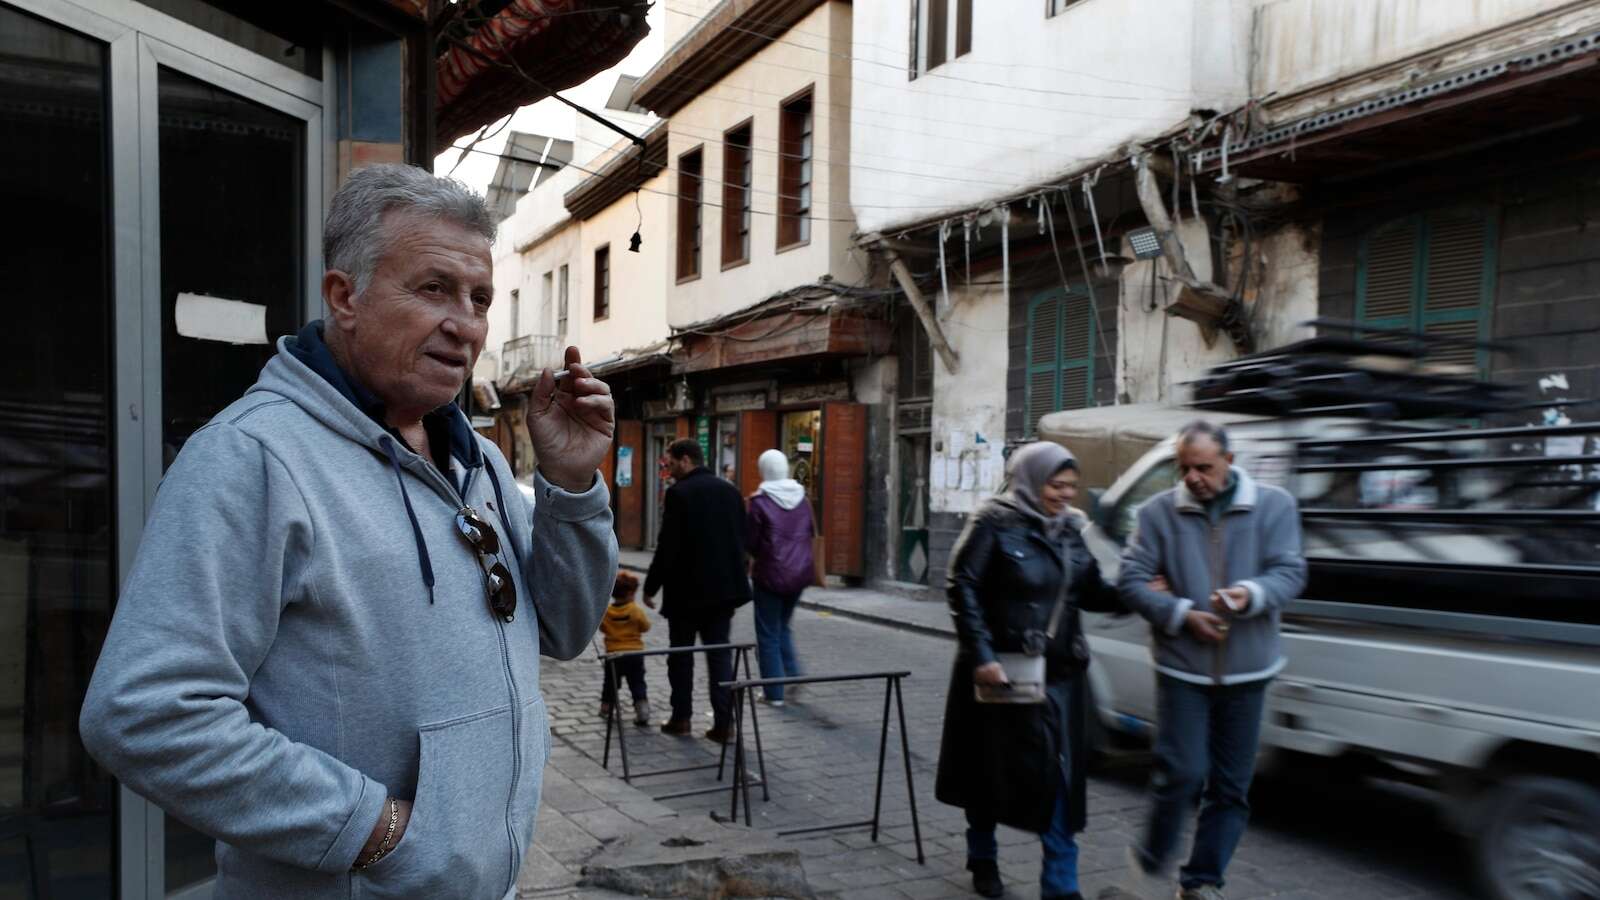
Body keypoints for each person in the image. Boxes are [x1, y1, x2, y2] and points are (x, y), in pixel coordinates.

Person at [78, 164, 618, 899]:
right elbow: (142, 713)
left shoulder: (481, 460)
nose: (465, 324)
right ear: (345, 296)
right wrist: (379, 832)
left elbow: (564, 627)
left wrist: (573, 486)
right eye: (433, 289)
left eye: (480, 298)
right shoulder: (252, 457)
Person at [1113, 421, 1306, 900]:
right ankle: (1148, 861)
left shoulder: (1274, 505)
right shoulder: (1158, 513)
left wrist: (1250, 594)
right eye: (1185, 468)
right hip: (1183, 667)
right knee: (1181, 773)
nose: (1193, 478)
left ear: (1229, 462)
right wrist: (1180, 613)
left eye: (1204, 467)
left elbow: (1290, 571)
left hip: (1250, 669)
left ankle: (1200, 882)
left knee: (1231, 787)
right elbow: (1130, 580)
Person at [936, 442, 1122, 900]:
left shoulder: (1070, 531)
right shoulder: (992, 522)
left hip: (1060, 677)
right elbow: (963, 588)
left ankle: (1060, 884)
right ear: (1030, 480)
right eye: (1055, 485)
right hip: (1004, 674)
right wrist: (983, 657)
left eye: (1071, 487)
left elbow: (1093, 591)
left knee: (1060, 778)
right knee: (988, 770)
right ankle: (982, 854)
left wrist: (1139, 591)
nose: (1064, 495)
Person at [643, 438, 750, 743]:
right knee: (719, 656)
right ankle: (725, 725)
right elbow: (742, 538)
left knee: (682, 656)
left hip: (687, 594)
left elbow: (668, 546)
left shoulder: (679, 494)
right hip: (723, 592)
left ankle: (682, 718)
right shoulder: (730, 491)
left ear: (686, 459)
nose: (669, 469)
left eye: (671, 463)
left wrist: (651, 587)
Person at [744, 449, 815, 706]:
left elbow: (750, 541)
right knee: (782, 626)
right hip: (800, 573)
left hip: (771, 575)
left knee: (768, 633)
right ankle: (794, 673)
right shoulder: (802, 499)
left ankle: (774, 693)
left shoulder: (760, 502)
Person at [600, 570, 653, 725]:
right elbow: (645, 627)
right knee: (637, 682)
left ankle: (606, 707)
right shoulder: (635, 610)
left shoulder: (607, 612)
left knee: (610, 682)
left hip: (613, 654)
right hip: (634, 654)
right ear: (630, 593)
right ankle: (642, 709)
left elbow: (603, 628)